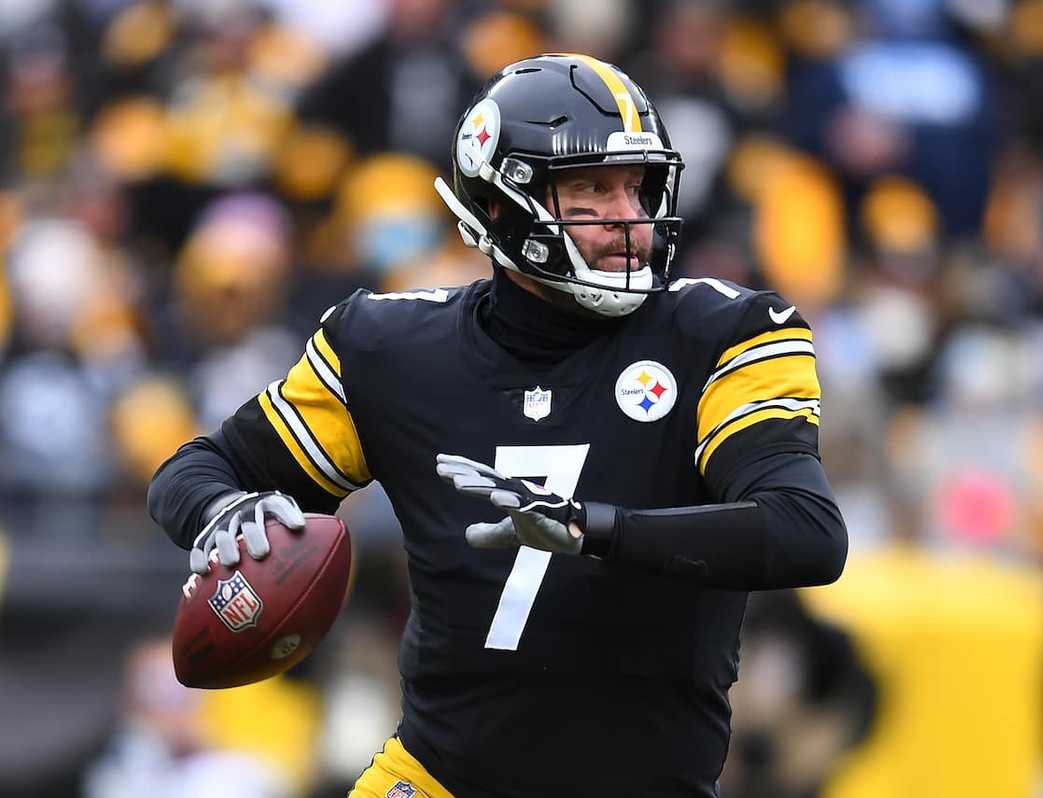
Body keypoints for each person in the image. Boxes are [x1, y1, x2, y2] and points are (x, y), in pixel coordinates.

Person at [148, 54, 848, 798]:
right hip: (436, 777)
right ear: (504, 202)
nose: (630, 219)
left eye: (637, 188)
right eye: (591, 189)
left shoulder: (725, 334)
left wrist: (595, 530)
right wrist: (227, 512)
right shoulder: (391, 348)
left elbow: (805, 530)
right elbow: (192, 471)